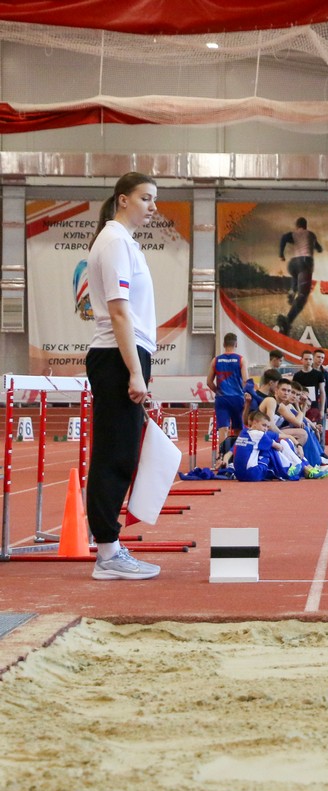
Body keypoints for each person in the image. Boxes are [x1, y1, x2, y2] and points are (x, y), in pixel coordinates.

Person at [85, 172, 163, 580]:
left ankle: (110, 549)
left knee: (123, 451)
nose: (153, 206)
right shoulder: (114, 241)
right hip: (117, 356)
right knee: (114, 454)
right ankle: (107, 553)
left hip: (126, 355)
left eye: (154, 199)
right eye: (145, 198)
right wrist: (134, 371)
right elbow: (118, 312)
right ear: (123, 200)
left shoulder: (125, 243)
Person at [276, 217, 323, 337]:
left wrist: (281, 254)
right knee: (303, 296)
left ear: (297, 226)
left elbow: (284, 238)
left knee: (297, 276)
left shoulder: (294, 234)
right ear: (305, 225)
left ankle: (292, 290)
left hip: (293, 264)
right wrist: (318, 248)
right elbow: (319, 248)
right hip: (305, 262)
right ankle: (287, 321)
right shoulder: (311, 234)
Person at [233, 411, 302, 482]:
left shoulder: (243, 432)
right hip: (253, 474)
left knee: (266, 445)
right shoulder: (260, 434)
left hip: (238, 475)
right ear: (255, 423)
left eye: (267, 427)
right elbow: (279, 447)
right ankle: (287, 470)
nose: (265, 429)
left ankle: (288, 467)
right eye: (264, 425)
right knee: (270, 448)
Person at [207, 331, 248, 446]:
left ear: (224, 344)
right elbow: (245, 381)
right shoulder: (241, 360)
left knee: (223, 429)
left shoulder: (216, 360)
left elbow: (209, 382)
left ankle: (222, 454)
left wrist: (218, 391)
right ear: (236, 344)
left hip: (222, 399)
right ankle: (237, 452)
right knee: (238, 429)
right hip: (237, 398)